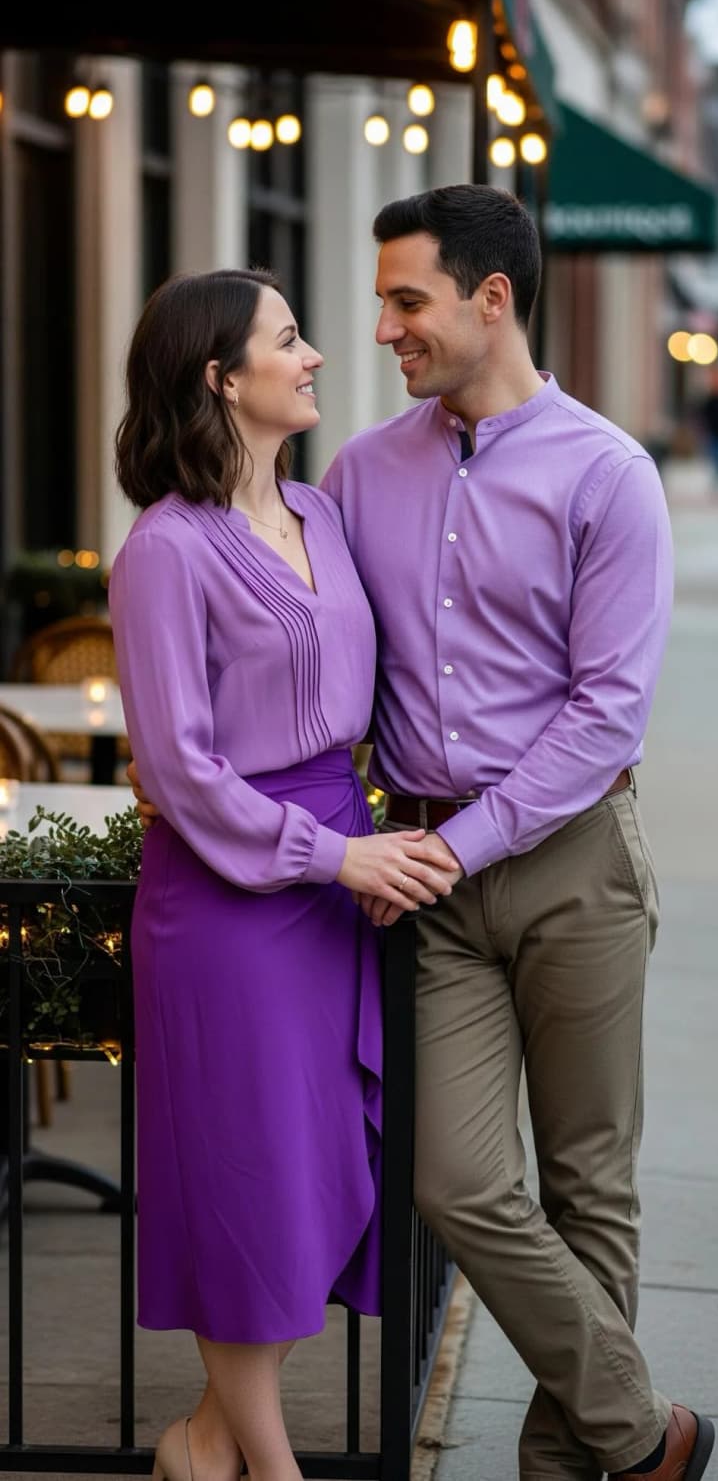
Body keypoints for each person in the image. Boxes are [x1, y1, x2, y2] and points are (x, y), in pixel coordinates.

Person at [131, 188, 716, 1481]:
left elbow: (609, 708)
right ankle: (647, 1430)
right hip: (421, 872)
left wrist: (463, 836)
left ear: (488, 300)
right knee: (453, 1181)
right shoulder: (355, 476)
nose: (380, 329)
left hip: (568, 859)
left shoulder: (608, 475)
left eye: (406, 301)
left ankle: (576, 1462)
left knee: (587, 1179)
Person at [109, 268, 459, 1481]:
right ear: (221, 376)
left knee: (321, 1173)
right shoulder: (164, 548)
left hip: (337, 876)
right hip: (227, 895)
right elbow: (181, 770)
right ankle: (271, 1465)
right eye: (289, 338)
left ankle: (203, 1441)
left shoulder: (322, 515)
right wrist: (335, 850)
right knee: (246, 1180)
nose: (316, 355)